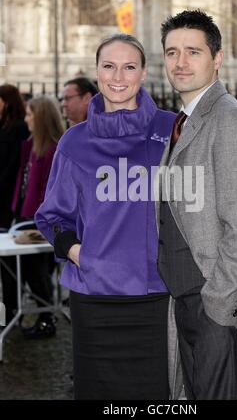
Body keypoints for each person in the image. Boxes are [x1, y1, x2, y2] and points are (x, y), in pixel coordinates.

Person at [35, 34, 176, 400]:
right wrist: (83, 254)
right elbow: (52, 218)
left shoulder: (172, 130)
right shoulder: (74, 142)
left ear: (144, 73)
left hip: (158, 296)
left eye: (129, 66)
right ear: (97, 72)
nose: (118, 76)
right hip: (94, 299)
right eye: (109, 66)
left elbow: (210, 190)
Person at [157, 10, 237, 400]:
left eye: (193, 51)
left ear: (217, 58)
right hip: (187, 302)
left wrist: (216, 304)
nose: (180, 62)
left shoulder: (230, 120)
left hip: (215, 305)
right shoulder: (184, 122)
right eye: (172, 52)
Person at [3, 96, 64, 337]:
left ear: (40, 117)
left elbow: (51, 189)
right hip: (22, 216)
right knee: (16, 271)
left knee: (36, 273)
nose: (26, 119)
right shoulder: (30, 145)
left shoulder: (53, 148)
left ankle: (46, 319)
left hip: (38, 220)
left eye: (30, 115)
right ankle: (13, 315)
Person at [0, 84, 28, 230]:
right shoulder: (4, 125)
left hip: (8, 190)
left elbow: (14, 162)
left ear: (7, 102)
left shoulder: (19, 127)